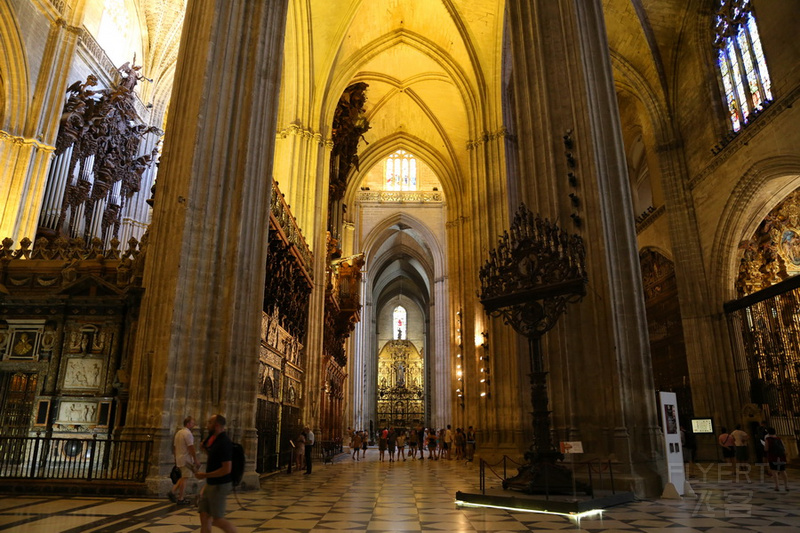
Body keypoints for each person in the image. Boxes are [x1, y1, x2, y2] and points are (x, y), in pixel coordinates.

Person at [196, 414, 237, 533]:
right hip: (211, 483)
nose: (207, 425)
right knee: (204, 516)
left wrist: (204, 475)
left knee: (217, 520)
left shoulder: (224, 442)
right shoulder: (216, 440)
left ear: (217, 425)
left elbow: (226, 469)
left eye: (209, 423)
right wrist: (206, 450)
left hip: (219, 485)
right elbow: (216, 460)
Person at [170, 416, 200, 504]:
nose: (194, 425)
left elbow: (175, 447)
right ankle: (180, 498)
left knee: (183, 477)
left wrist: (175, 458)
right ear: (188, 424)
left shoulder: (179, 433)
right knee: (185, 478)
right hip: (186, 459)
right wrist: (195, 459)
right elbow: (191, 447)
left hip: (179, 458)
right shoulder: (188, 434)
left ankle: (173, 492)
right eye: (193, 423)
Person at [764, 427, 789, 491]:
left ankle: (777, 486)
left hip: (773, 457)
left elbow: (766, 449)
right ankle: (786, 486)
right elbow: (784, 447)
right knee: (783, 471)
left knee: (774, 471)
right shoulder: (779, 438)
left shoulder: (768, 439)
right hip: (781, 456)